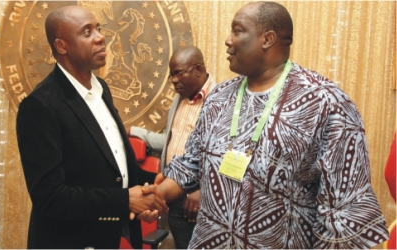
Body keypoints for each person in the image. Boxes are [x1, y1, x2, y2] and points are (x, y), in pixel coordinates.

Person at [141, 1, 390, 248]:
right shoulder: (219, 98)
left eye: (237, 31)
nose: (228, 40)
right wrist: (157, 196)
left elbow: (344, 207)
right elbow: (194, 162)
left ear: (267, 39)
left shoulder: (326, 103)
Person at [16, 5, 167, 249]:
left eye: (98, 28)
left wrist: (144, 196)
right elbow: (50, 197)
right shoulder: (39, 106)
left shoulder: (102, 89)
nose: (100, 37)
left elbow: (113, 168)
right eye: (87, 33)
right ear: (61, 46)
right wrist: (125, 201)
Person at [129, 45, 217, 249]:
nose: (173, 80)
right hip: (171, 191)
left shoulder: (222, 99)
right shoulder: (179, 99)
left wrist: (201, 188)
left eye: (178, 73)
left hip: (198, 200)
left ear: (197, 69)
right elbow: (170, 141)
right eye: (171, 75)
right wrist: (135, 131)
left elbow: (228, 154)